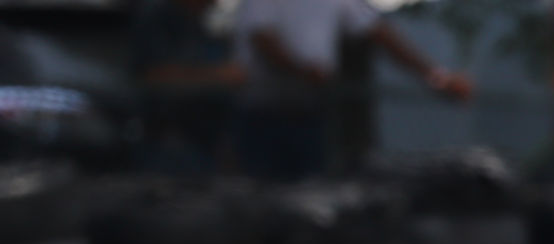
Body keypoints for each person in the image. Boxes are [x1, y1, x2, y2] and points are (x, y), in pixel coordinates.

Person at [231, 0, 472, 182]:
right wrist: (302, 71)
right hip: (262, 117)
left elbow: (380, 33)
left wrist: (436, 76)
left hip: (309, 115)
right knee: (260, 200)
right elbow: (261, 37)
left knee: (310, 199)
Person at [129, 0, 244, 174]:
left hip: (203, 139)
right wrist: (218, 75)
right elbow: (153, 74)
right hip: (169, 139)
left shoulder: (194, 22)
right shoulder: (159, 17)